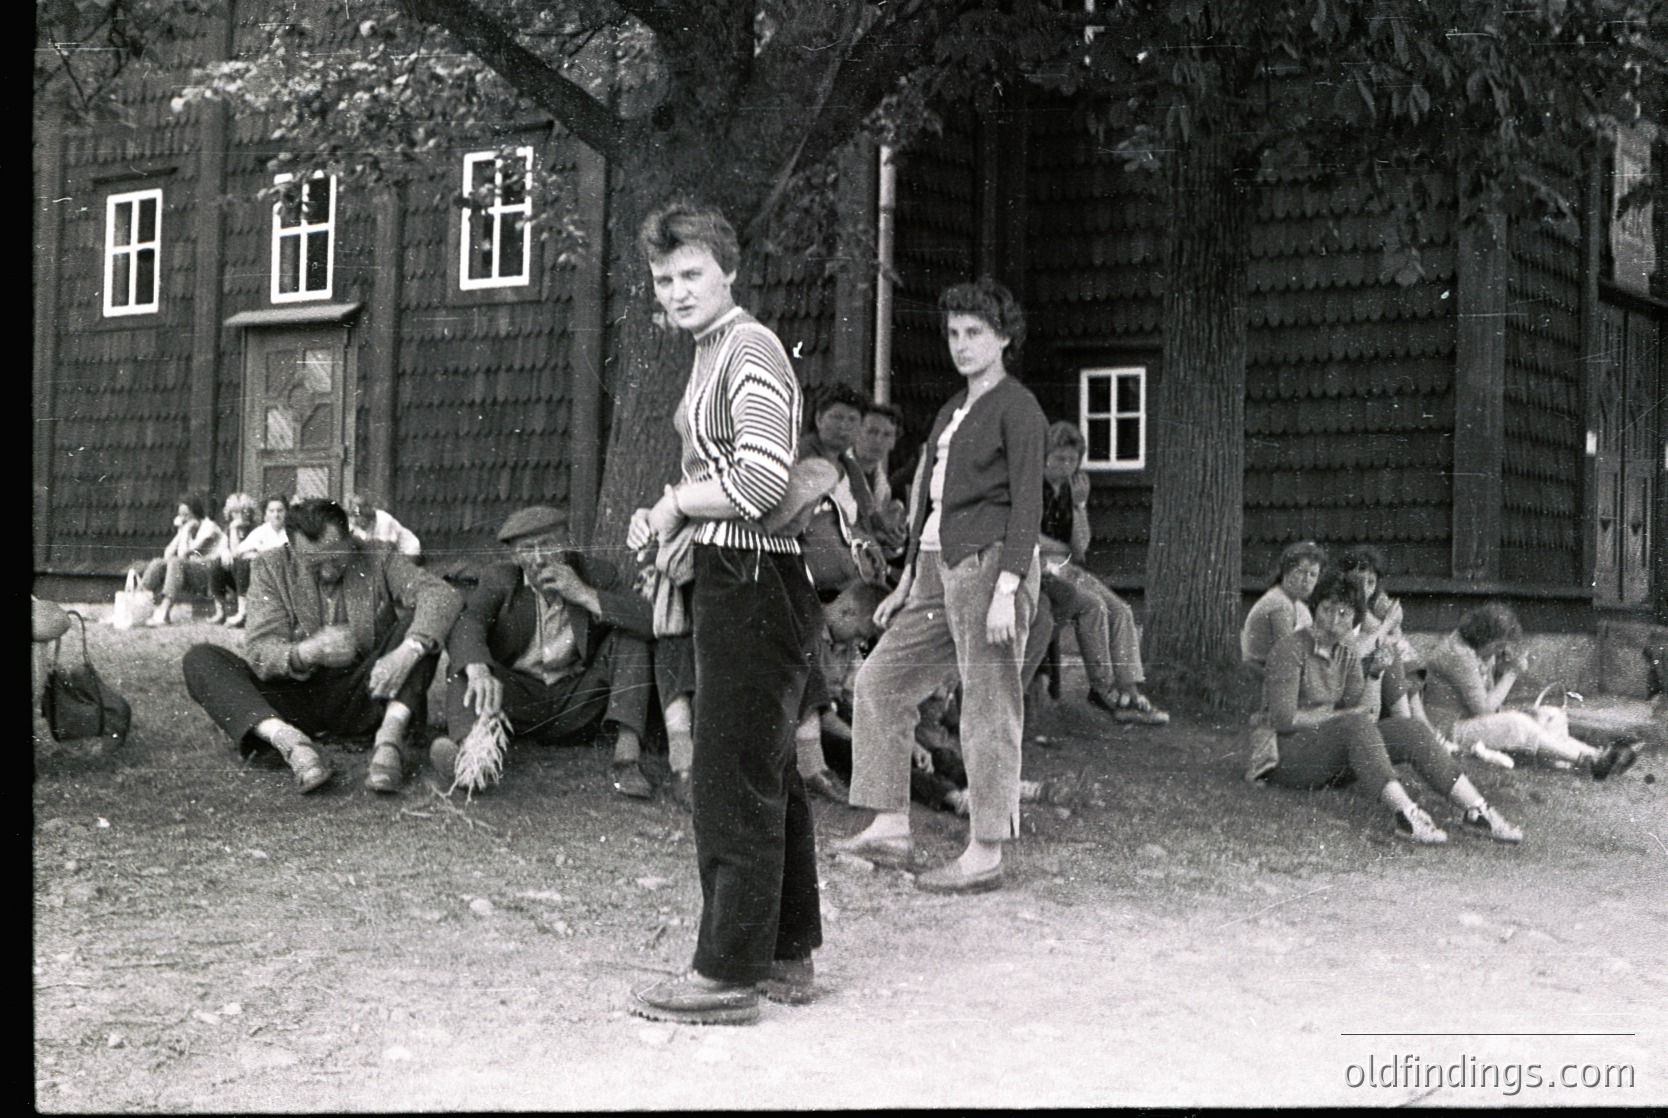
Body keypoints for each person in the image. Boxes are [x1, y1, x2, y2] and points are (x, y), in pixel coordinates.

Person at [624, 199, 823, 1025]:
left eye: (691, 273)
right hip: (739, 572)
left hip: (756, 579)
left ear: (728, 271)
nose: (675, 290)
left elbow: (763, 479)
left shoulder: (748, 345)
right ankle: (786, 952)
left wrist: (674, 504)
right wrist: (672, 522)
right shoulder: (711, 352)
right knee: (766, 765)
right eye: (664, 278)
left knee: (728, 777)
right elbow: (727, 484)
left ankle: (725, 975)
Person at [835, 277, 1048, 895]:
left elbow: (1028, 503)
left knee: (987, 705)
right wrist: (906, 582)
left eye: (974, 333)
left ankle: (985, 851)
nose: (961, 344)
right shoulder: (951, 410)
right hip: (935, 569)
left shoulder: (1019, 407)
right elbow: (929, 501)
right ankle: (889, 824)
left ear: (1003, 337)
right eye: (953, 333)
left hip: (989, 567)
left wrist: (1009, 586)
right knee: (881, 681)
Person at [181, 498, 461, 795]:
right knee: (200, 659)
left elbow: (441, 595)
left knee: (421, 630)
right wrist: (306, 652)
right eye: (314, 564)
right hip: (295, 697)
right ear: (293, 549)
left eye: (336, 558)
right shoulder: (270, 566)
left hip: (369, 691)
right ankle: (291, 743)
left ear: (350, 538)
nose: (328, 571)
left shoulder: (378, 555)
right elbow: (260, 650)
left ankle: (389, 740)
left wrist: (407, 654)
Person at [1255, 571, 1524, 845]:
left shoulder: (1345, 652)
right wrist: (1341, 717)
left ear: (1355, 618)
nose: (1333, 621)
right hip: (1283, 758)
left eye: (1344, 613)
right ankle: (1407, 816)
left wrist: (1375, 674)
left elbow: (1367, 714)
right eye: (1326, 610)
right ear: (1315, 608)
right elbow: (1283, 719)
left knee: (1409, 729)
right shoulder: (1290, 650)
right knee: (1352, 724)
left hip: (1325, 756)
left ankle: (1478, 811)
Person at [430, 505, 659, 799]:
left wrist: (583, 594)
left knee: (630, 638)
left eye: (548, 545)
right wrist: (478, 668)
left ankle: (627, 759)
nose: (538, 559)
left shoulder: (596, 574)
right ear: (514, 555)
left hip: (578, 702)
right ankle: (471, 760)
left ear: (566, 543)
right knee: (465, 666)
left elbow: (650, 622)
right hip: (520, 701)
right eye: (527, 549)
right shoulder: (501, 580)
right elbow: (469, 621)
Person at [1037, 420, 1168, 725]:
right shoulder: (1031, 487)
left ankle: (1129, 693)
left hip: (1067, 565)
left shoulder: (1070, 492)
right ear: (1045, 456)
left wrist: (1081, 507)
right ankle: (1103, 688)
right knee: (1093, 606)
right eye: (1060, 459)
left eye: (1072, 460)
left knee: (1121, 609)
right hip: (1041, 568)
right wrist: (1060, 548)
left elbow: (1080, 546)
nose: (1067, 466)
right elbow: (1026, 535)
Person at [1421, 602, 1617, 772]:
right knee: (1517, 722)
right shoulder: (1458, 655)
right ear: (1484, 637)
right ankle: (1586, 760)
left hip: (1469, 722)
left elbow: (1489, 703)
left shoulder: (1477, 649)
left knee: (1550, 714)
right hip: (1450, 731)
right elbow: (1484, 709)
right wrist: (1512, 673)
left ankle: (1595, 756)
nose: (1501, 651)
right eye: (1499, 646)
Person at [136, 492, 227, 626]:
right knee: (157, 563)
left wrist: (185, 530)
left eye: (186, 514)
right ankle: (134, 605)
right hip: (192, 571)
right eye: (180, 514)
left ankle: (164, 611)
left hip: (209, 576)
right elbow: (167, 554)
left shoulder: (209, 528)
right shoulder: (187, 530)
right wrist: (181, 532)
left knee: (176, 562)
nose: (183, 518)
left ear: (196, 513)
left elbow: (183, 555)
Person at [1240, 540, 1326, 673]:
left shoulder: (1299, 607)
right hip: (1259, 676)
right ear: (1286, 571)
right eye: (1301, 572)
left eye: (1313, 574)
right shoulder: (1279, 603)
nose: (1306, 579)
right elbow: (1288, 655)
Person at [215, 495, 291, 628]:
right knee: (235, 563)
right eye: (271, 511)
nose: (276, 515)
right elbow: (239, 551)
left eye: (280, 511)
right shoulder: (262, 531)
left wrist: (259, 551)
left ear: (286, 512)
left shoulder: (291, 532)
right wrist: (248, 552)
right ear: (266, 514)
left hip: (281, 576)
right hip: (259, 575)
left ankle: (243, 613)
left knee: (251, 561)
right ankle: (237, 612)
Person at [851, 399, 909, 557]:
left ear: (893, 443)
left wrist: (894, 542)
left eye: (887, 435)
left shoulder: (882, 486)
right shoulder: (839, 471)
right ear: (856, 433)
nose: (878, 441)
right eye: (872, 432)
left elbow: (883, 549)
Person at [345, 492, 421, 558]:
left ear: (365, 514)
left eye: (357, 516)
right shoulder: (355, 524)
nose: (354, 520)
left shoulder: (384, 520)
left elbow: (386, 547)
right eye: (351, 516)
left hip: (408, 551)